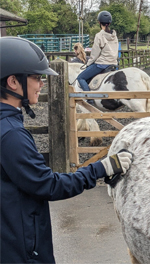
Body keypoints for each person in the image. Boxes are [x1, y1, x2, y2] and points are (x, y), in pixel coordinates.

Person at [0, 36, 132, 263]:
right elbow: (48, 185)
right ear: (13, 82)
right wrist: (100, 168)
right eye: (36, 77)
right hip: (21, 251)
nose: (42, 83)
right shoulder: (11, 135)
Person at [77, 10, 119, 105]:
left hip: (102, 64)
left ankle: (90, 99)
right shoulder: (114, 36)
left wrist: (88, 64)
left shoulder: (99, 35)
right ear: (109, 23)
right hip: (113, 63)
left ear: (99, 22)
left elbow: (94, 54)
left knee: (81, 78)